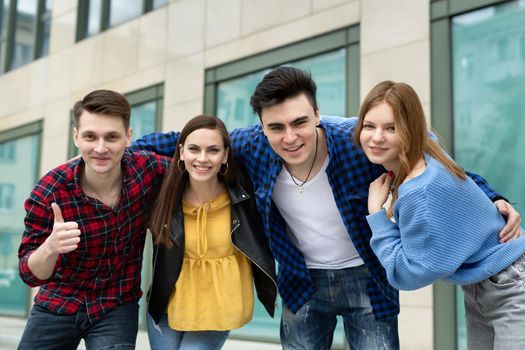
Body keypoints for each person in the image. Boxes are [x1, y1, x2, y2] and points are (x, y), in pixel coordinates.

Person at [130, 67, 522, 349]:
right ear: (261, 126)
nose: (290, 137)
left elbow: (430, 151)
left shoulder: (358, 141)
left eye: (300, 122)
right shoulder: (251, 146)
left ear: (318, 114)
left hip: (368, 278)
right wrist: (110, 155)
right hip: (303, 280)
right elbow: (176, 142)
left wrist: (491, 199)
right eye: (276, 127)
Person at [356, 80, 525, 349]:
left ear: (410, 129)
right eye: (369, 126)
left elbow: (408, 274)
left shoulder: (417, 190)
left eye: (391, 128)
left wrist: (376, 213)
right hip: (484, 283)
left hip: (511, 283)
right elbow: (464, 180)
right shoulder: (427, 146)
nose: (377, 137)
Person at [18, 90, 170, 349]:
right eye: (90, 136)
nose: (100, 148)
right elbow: (30, 275)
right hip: (59, 301)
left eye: (112, 137)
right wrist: (51, 246)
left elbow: (194, 158)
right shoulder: (50, 190)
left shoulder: (148, 170)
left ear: (128, 137)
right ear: (76, 136)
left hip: (116, 303)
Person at [145, 115, 277, 350]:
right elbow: (130, 149)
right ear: (181, 152)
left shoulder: (244, 195)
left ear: (225, 155)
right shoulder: (164, 194)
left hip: (218, 309)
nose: (203, 159)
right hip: (167, 306)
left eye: (213, 150)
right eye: (194, 149)